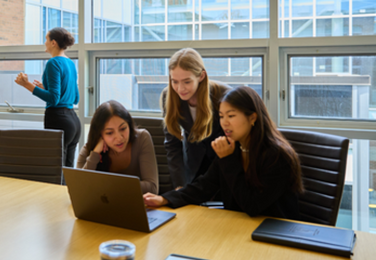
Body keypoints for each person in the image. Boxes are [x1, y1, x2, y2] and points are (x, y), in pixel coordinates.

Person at [144, 86, 304, 220]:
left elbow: (252, 206)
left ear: (252, 117)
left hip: (274, 233)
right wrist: (165, 198)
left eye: (231, 116)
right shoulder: (233, 148)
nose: (224, 122)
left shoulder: (277, 156)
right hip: (239, 227)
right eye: (221, 116)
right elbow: (204, 186)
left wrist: (227, 159)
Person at [161, 48, 230, 189]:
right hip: (193, 163)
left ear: (201, 76)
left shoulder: (224, 95)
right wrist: (179, 185)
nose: (180, 89)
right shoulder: (168, 96)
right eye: (174, 81)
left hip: (223, 162)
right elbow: (172, 145)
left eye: (187, 82)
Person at [15, 27, 80, 168]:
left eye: (46, 39)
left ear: (53, 43)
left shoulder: (53, 63)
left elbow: (54, 99)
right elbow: (75, 97)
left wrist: (27, 85)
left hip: (58, 120)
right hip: (74, 122)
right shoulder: (70, 63)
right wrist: (46, 88)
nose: (45, 42)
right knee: (68, 171)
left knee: (55, 169)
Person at [76, 100, 158, 194]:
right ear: (100, 135)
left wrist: (106, 185)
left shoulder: (142, 138)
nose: (119, 138)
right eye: (110, 133)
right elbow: (79, 189)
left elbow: (152, 188)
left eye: (123, 129)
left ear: (129, 125)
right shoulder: (90, 149)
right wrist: (94, 155)